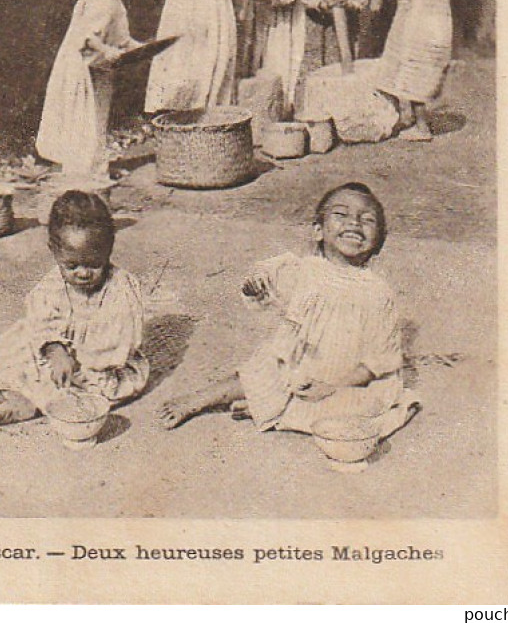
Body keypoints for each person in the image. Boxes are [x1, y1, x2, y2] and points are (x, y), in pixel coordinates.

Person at [158, 182, 418, 453]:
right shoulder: (303, 270)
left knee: (366, 409)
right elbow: (269, 281)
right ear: (318, 230)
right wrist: (258, 286)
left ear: (378, 240)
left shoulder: (378, 292)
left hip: (348, 376)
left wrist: (332, 387)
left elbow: (379, 358)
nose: (354, 222)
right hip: (298, 364)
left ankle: (273, 409)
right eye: (341, 215)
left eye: (367, 219)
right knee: (263, 372)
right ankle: (201, 399)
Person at [0, 190, 149, 427]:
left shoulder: (121, 288)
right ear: (54, 251)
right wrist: (54, 347)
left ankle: (32, 404)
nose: (82, 273)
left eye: (93, 264)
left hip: (101, 360)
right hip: (58, 353)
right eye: (71, 265)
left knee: (97, 387)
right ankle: (24, 393)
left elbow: (120, 340)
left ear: (108, 251)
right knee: (17, 351)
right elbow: (41, 320)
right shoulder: (52, 284)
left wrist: (83, 359)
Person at [36, 0, 142, 185]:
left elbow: (122, 39)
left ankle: (94, 171)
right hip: (81, 66)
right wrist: (107, 51)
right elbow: (88, 37)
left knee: (97, 120)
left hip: (97, 68)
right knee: (83, 120)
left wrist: (145, 48)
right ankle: (81, 175)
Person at [376, 0, 452, 141]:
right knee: (403, 69)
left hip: (426, 31)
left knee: (416, 74)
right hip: (418, 27)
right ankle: (405, 117)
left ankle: (422, 127)